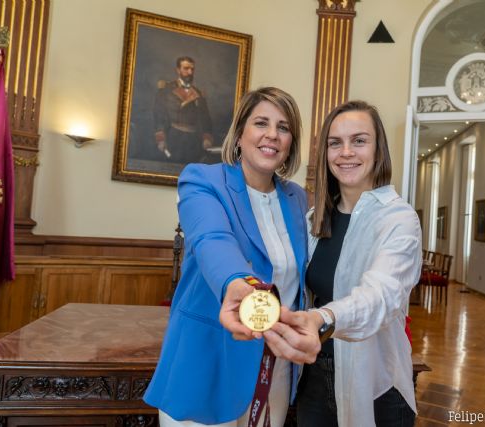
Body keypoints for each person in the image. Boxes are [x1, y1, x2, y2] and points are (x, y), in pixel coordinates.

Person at [144, 87, 320, 426]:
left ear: (290, 143)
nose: (272, 135)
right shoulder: (203, 180)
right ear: (240, 133)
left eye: (283, 128)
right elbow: (213, 239)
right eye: (261, 123)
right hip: (208, 362)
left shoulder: (298, 199)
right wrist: (235, 282)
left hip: (275, 368)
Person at [267, 100, 422, 427]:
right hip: (313, 377)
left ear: (378, 150)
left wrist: (324, 318)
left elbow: (381, 295)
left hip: (376, 383)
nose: (346, 152)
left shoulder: (398, 219)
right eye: (335, 143)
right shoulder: (314, 220)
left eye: (359, 141)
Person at [153, 56, 214, 164]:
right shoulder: (166, 90)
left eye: (192, 69)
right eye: (186, 68)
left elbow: (206, 119)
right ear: (178, 70)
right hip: (173, 138)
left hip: (193, 142)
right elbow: (159, 116)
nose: (190, 72)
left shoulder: (198, 93)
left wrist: (207, 139)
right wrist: (161, 139)